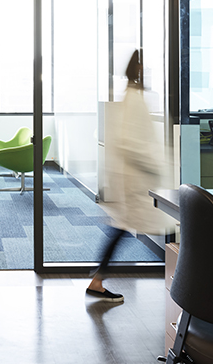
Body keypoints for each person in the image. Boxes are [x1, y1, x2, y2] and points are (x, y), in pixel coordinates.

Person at [87, 50, 171, 302]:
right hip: (136, 179)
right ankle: (97, 280)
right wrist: (156, 166)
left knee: (122, 228)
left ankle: (97, 279)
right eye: (145, 67)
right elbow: (131, 142)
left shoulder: (132, 96)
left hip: (133, 178)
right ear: (139, 69)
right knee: (123, 228)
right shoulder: (134, 99)